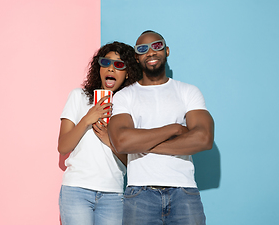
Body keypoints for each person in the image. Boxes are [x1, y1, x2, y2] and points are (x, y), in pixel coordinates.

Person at [108, 30, 214, 225]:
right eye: (142, 49)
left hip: (184, 191)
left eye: (156, 46)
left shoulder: (188, 91)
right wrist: (173, 129)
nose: (150, 52)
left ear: (166, 51)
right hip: (140, 193)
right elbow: (122, 142)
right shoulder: (125, 96)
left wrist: (141, 145)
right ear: (137, 57)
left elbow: (204, 138)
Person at [58, 41, 141, 225]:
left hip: (113, 194)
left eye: (119, 65)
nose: (111, 68)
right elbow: (63, 147)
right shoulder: (78, 96)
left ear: (127, 73)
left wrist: (109, 140)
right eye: (106, 63)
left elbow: (134, 162)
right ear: (99, 67)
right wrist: (88, 117)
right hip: (77, 190)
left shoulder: (128, 107)